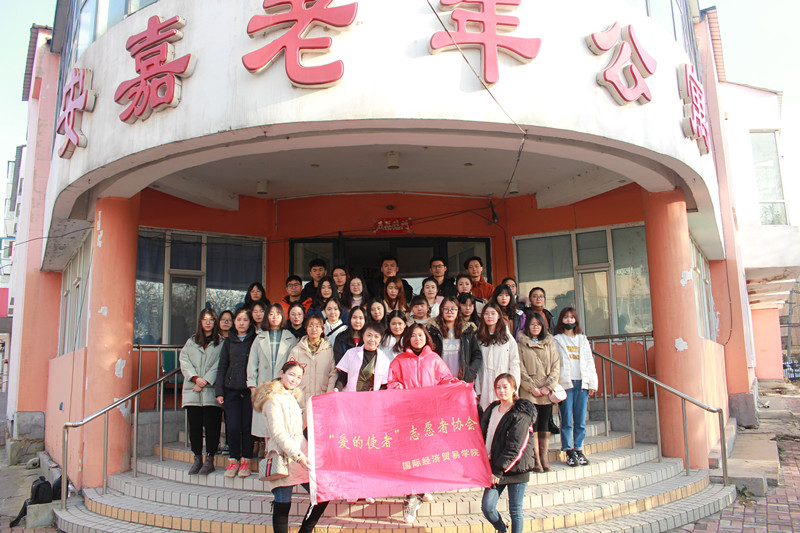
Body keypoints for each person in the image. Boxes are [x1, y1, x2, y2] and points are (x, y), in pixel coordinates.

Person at [387, 324, 460, 523]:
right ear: (408, 339)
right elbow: (391, 382)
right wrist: (400, 388)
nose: (417, 338)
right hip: (407, 414)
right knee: (411, 453)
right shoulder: (399, 360)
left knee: (427, 451)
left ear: (426, 338)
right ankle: (411, 496)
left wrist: (457, 385)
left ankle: (422, 488)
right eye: (413, 335)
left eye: (421, 335)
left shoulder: (434, 359)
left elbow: (445, 379)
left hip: (429, 413)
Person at [253, 361, 329, 533]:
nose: (295, 380)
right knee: (282, 504)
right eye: (291, 374)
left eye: (299, 377)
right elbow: (278, 433)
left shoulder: (292, 396)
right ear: (282, 373)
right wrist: (299, 456)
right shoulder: (273, 398)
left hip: (300, 455)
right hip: (284, 456)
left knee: (322, 493)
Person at [480, 373, 536, 533]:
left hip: (516, 468)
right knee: (487, 507)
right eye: (498, 387)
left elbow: (515, 447)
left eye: (505, 387)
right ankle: (502, 529)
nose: (501, 391)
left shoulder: (520, 414)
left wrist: (498, 471)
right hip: (496, 466)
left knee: (515, 510)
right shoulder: (492, 409)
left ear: (513, 389)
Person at [179, 308, 223, 476]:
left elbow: (220, 364)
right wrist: (195, 378)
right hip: (193, 390)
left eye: (211, 319)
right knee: (195, 427)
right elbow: (184, 361)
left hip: (210, 390)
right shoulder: (191, 342)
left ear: (215, 322)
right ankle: (197, 458)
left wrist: (205, 381)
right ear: (200, 322)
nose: (208, 322)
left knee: (212, 426)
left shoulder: (221, 342)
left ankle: (210, 459)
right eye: (205, 319)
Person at [248, 304, 298, 448]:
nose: (275, 317)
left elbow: (293, 363)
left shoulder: (290, 337)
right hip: (263, 385)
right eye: (271, 314)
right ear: (267, 317)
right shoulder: (259, 338)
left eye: (278, 313)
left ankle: (278, 454)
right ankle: (267, 452)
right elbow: (252, 362)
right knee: (265, 421)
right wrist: (252, 385)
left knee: (280, 421)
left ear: (283, 316)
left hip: (282, 387)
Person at [553, 307, 598, 467]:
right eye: (566, 317)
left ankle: (579, 449)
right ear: (561, 320)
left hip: (581, 383)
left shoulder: (582, 339)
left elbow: (589, 361)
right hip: (565, 383)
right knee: (566, 420)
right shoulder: (556, 339)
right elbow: (554, 363)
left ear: (576, 320)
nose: (569, 320)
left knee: (580, 420)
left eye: (572, 317)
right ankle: (568, 451)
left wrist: (592, 383)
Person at [215, 308, 257, 478]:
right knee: (232, 427)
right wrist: (219, 391)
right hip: (231, 390)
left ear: (250, 322)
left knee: (247, 427)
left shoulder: (255, 340)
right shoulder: (228, 341)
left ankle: (246, 460)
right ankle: (233, 460)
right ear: (234, 322)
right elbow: (222, 366)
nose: (241, 323)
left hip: (248, 391)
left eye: (245, 320)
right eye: (238, 319)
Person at [517, 312, 560, 472]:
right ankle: (535, 459)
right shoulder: (521, 344)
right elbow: (519, 367)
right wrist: (532, 388)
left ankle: (544, 457)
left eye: (538, 324)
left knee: (544, 425)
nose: (535, 327)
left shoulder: (549, 343)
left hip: (546, 391)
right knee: (532, 426)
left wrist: (548, 387)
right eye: (532, 324)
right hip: (529, 392)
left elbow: (556, 366)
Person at [476, 302, 520, 411]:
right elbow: (477, 366)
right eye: (486, 314)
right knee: (487, 414)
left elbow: (514, 363)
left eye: (493, 313)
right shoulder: (479, 338)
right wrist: (478, 389)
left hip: (504, 384)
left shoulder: (507, 338)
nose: (489, 316)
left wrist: (514, 386)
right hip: (485, 384)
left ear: (499, 316)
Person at [288, 315, 337, 414]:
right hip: (301, 398)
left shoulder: (328, 350)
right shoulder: (296, 351)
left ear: (322, 329)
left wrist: (329, 394)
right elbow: (289, 374)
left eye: (317, 326)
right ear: (306, 328)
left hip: (322, 397)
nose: (314, 329)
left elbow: (333, 373)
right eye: (310, 326)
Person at [426, 296, 482, 383]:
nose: (449, 312)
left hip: (461, 379)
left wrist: (469, 373)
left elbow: (477, 355)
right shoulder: (433, 331)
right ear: (441, 310)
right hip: (438, 379)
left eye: (453, 309)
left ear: (458, 311)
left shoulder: (467, 331)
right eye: (446, 309)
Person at [336, 322, 391, 392]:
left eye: (376, 337)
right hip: (351, 395)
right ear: (363, 336)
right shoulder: (351, 353)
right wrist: (336, 389)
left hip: (372, 397)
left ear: (380, 339)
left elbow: (383, 385)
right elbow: (343, 377)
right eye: (369, 335)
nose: (372, 339)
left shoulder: (384, 360)